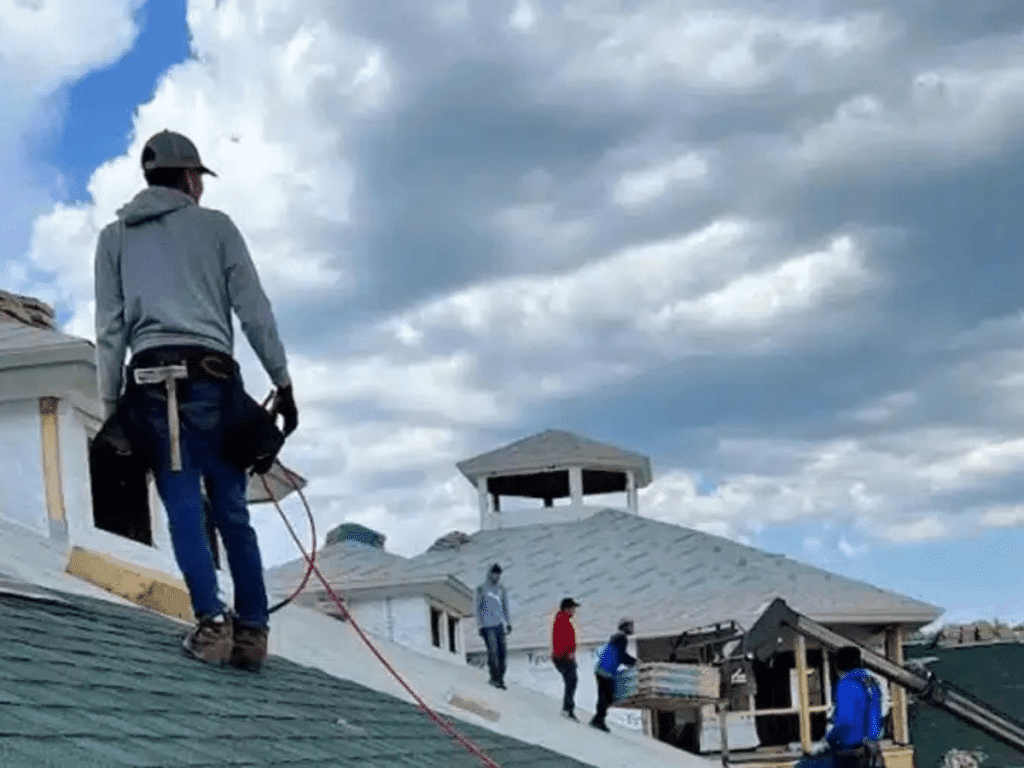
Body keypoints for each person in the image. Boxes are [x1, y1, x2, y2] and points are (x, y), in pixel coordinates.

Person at [94, 129, 298, 673]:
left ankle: (211, 626)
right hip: (214, 383)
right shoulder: (217, 228)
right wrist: (284, 381)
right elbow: (255, 310)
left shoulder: (113, 238)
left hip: (152, 386)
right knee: (231, 508)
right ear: (189, 179)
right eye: (198, 181)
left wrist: (111, 403)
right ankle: (252, 635)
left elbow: (110, 330)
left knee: (182, 504)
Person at [825, 646, 884, 768]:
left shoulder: (846, 684)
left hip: (852, 753)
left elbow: (845, 721)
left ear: (838, 664)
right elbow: (879, 716)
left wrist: (830, 739)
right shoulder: (872, 682)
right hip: (873, 751)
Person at [590, 617, 636, 732]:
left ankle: (598, 718)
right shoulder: (621, 638)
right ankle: (598, 720)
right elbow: (621, 656)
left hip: (602, 670)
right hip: (606, 671)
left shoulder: (617, 637)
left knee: (605, 696)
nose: (632, 628)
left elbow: (619, 655)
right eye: (630, 626)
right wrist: (634, 662)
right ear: (625, 627)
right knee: (606, 696)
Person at [476, 563, 511, 688]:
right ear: (490, 574)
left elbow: (505, 606)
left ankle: (501, 677)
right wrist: (480, 625)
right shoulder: (482, 588)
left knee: (503, 653)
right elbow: (478, 608)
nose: (496, 576)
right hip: (487, 625)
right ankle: (494, 678)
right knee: (493, 652)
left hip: (499, 625)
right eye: (494, 573)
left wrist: (508, 623)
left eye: (498, 574)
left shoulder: (501, 589)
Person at [551, 597, 580, 721]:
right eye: (573, 608)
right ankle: (567, 710)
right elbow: (562, 640)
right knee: (571, 681)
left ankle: (568, 709)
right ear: (567, 609)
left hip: (564, 657)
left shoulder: (562, 619)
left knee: (571, 682)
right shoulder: (562, 620)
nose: (574, 611)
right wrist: (568, 655)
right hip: (563, 657)